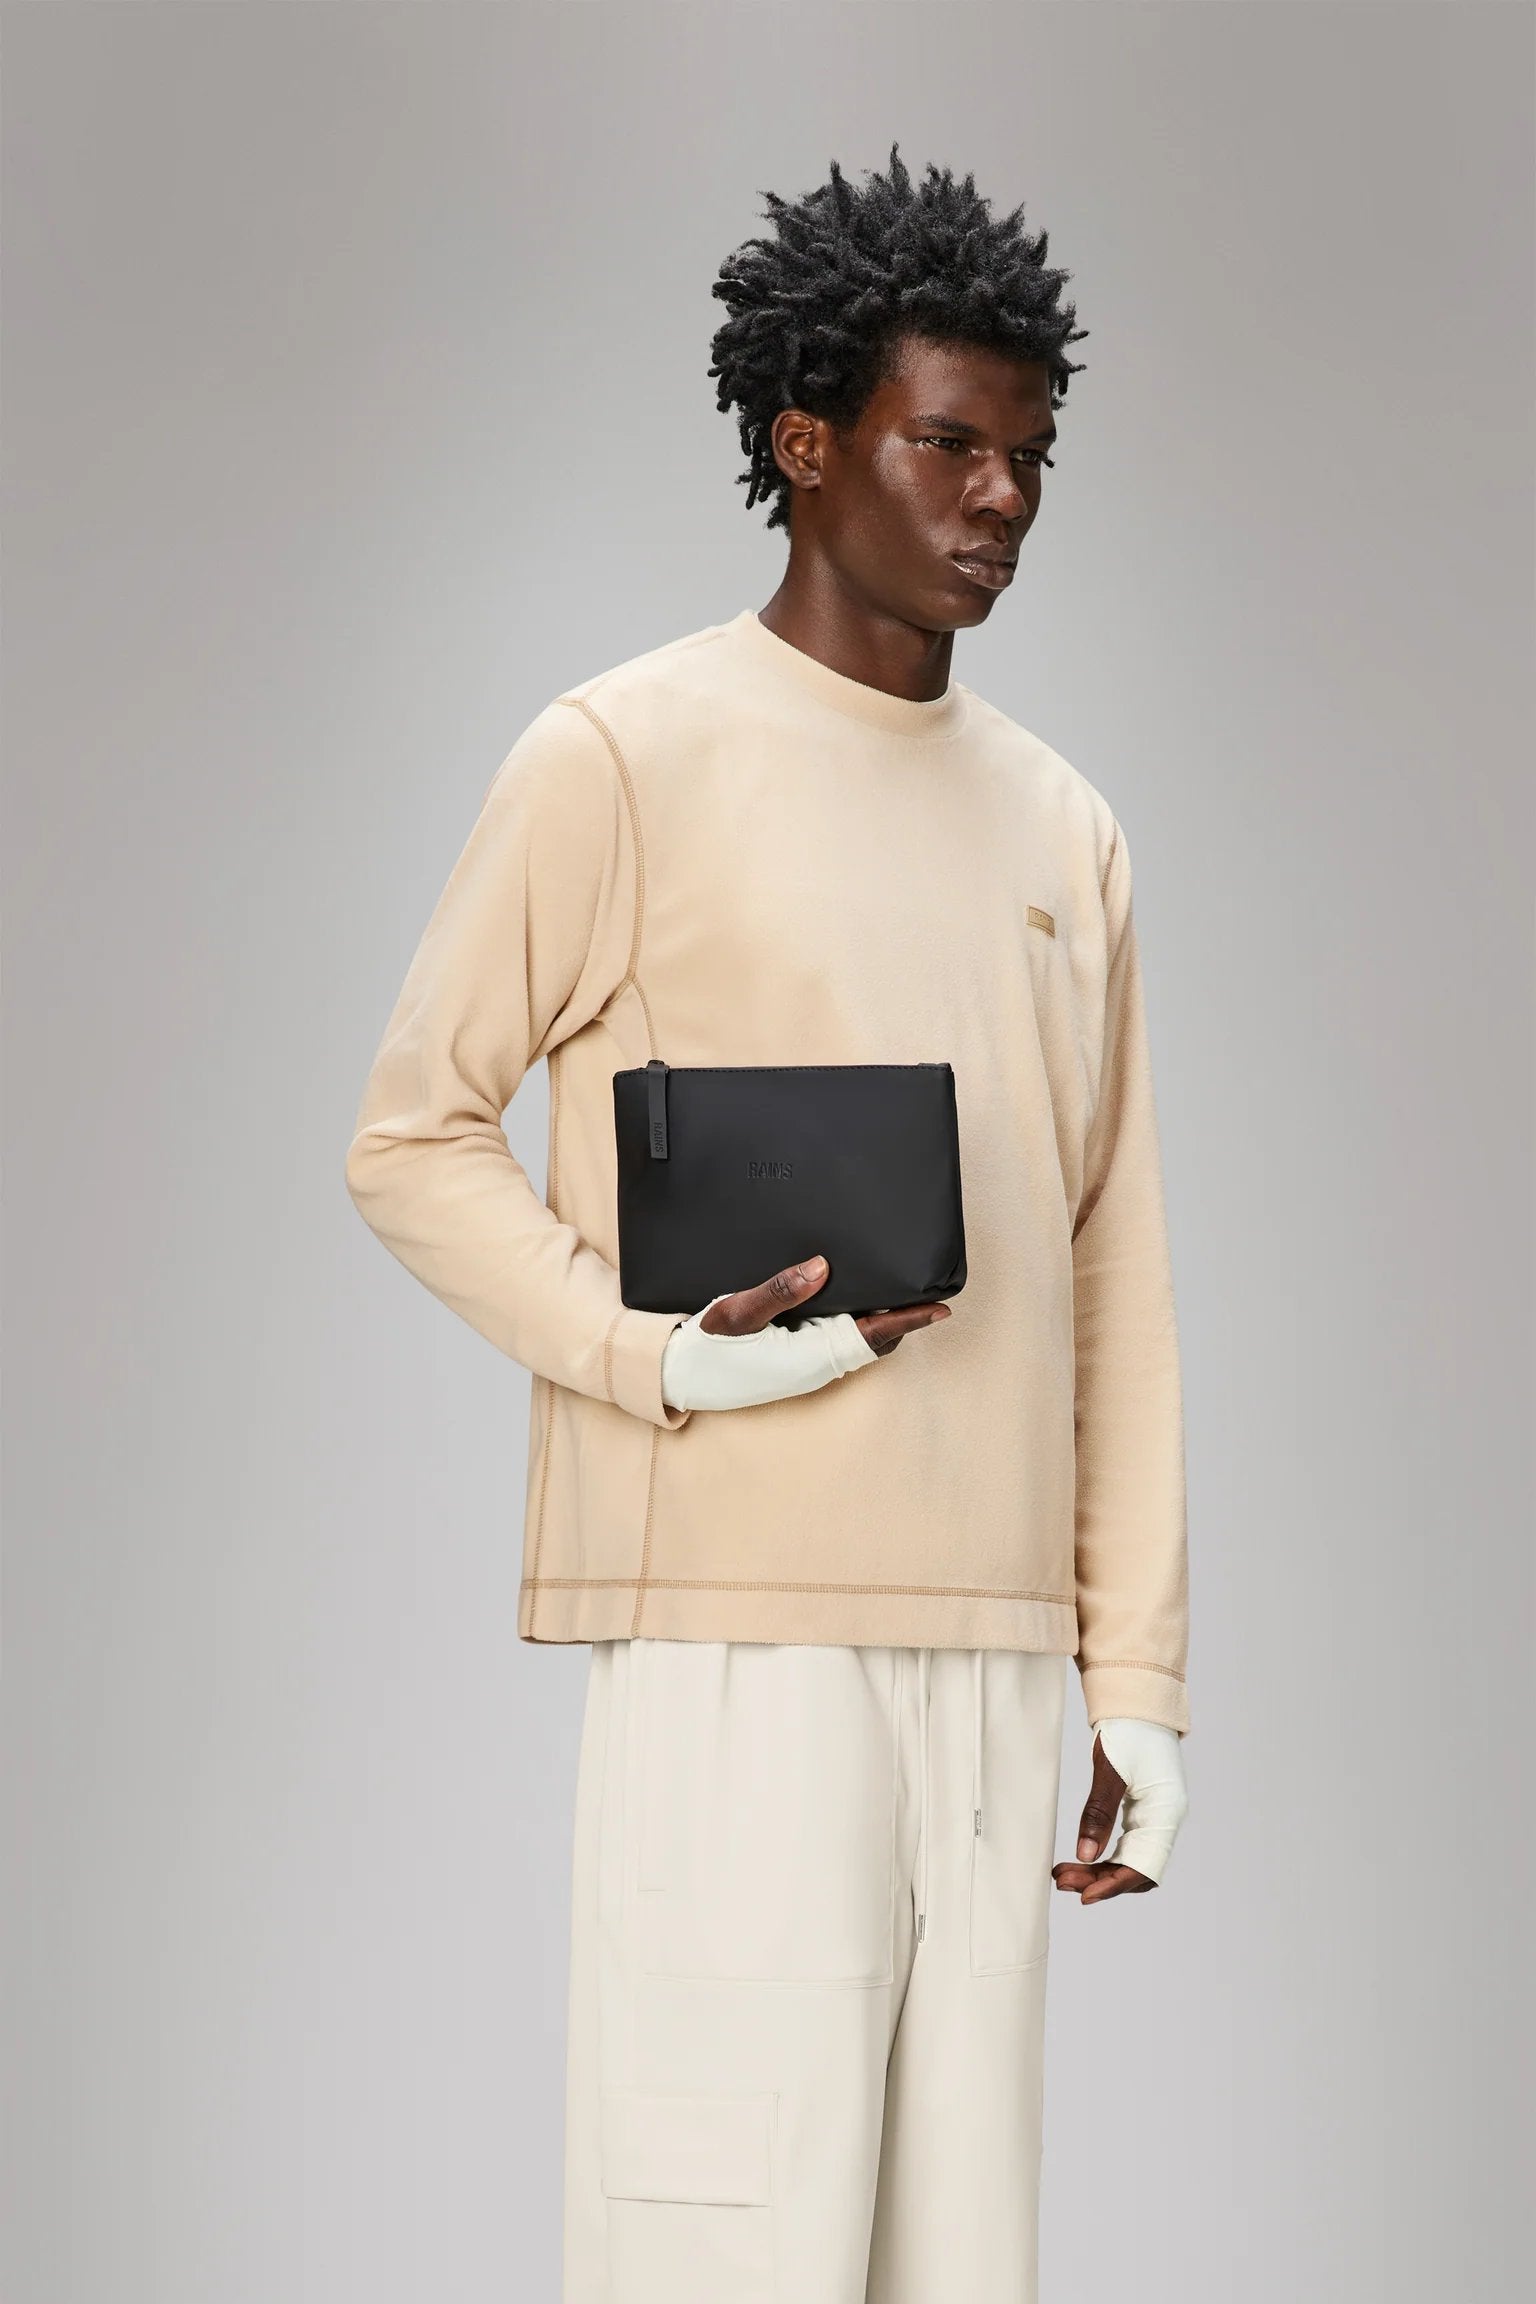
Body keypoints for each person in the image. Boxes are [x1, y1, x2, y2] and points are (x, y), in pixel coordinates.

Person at [345, 143, 1191, 2304]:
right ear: (808, 443)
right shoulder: (619, 759)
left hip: (996, 1662)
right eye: (950, 444)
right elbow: (412, 1135)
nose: (1002, 499)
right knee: (722, 2252)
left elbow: (1111, 1268)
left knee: (959, 2266)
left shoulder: (1067, 831)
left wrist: (1136, 1671)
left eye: (1030, 455)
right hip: (737, 1645)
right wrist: (653, 1359)